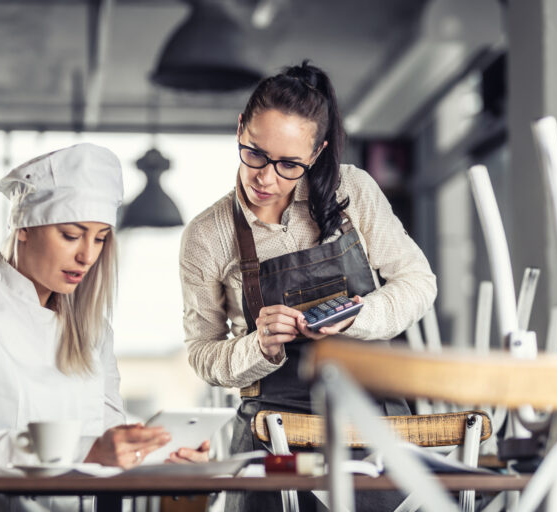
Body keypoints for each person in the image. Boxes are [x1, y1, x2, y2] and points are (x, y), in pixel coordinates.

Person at [179, 62, 437, 510]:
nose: (266, 177)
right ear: (240, 128)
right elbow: (202, 352)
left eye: (289, 165)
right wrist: (257, 346)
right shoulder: (207, 235)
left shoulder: (350, 190)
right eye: (254, 153)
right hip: (271, 430)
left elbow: (418, 282)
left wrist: (359, 315)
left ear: (315, 154)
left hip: (372, 425)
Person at [0, 143, 206, 512]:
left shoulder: (94, 328)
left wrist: (164, 457)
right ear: (23, 227)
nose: (87, 255)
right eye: (71, 235)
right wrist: (90, 451)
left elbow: (109, 441)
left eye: (100, 239)